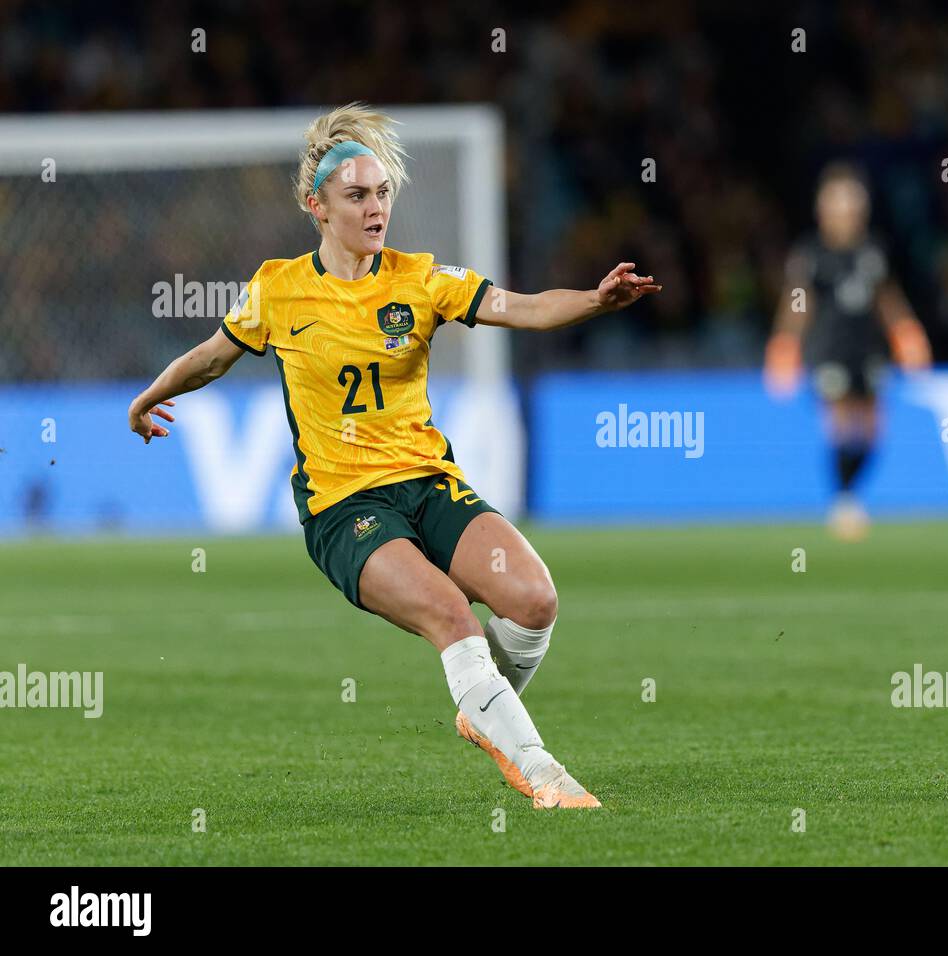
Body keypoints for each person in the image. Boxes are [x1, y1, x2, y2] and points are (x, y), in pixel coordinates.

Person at [127, 103, 661, 809]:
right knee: (450, 614)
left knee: (534, 600)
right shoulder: (279, 290)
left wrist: (594, 300)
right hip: (344, 508)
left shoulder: (420, 279)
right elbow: (211, 359)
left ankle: (482, 711)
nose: (375, 208)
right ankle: (541, 773)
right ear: (316, 206)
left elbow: (523, 307)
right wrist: (149, 398)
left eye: (382, 193)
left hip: (428, 485)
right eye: (357, 195)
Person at [765, 163, 931, 539]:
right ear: (823, 210)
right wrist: (784, 345)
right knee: (840, 423)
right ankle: (843, 500)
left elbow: (887, 299)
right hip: (829, 348)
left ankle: (849, 495)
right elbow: (797, 303)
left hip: (867, 347)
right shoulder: (810, 254)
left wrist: (907, 334)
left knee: (873, 432)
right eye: (838, 205)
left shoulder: (874, 250)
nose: (846, 214)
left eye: (852, 206)